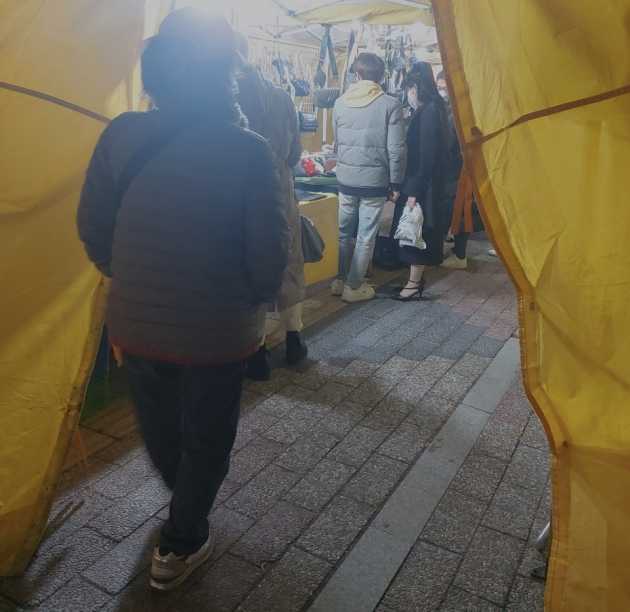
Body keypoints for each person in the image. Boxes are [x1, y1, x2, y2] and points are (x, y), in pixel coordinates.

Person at [77, 9, 288, 591]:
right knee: (208, 435)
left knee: (162, 428)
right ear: (226, 74)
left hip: (137, 324)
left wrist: (130, 276)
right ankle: (183, 537)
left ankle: (185, 507)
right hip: (217, 331)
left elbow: (93, 225)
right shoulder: (248, 149)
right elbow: (269, 252)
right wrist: (250, 300)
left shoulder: (121, 134)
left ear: (157, 75)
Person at [236, 34, 308, 380]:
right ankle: (295, 339)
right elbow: (295, 154)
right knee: (287, 264)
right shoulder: (282, 97)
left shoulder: (224, 98)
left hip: (239, 199)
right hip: (280, 190)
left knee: (250, 271)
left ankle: (257, 352)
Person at [332, 52, 406, 303]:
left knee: (344, 232)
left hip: (345, 178)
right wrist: (396, 182)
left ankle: (339, 280)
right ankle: (354, 286)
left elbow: (337, 142)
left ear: (357, 74)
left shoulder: (340, 102)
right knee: (366, 235)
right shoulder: (390, 104)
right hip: (374, 181)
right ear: (382, 76)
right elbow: (396, 149)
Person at [393, 64, 450, 300]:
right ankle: (415, 279)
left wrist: (414, 192)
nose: (409, 94)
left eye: (410, 88)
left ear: (416, 87)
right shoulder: (435, 108)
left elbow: (426, 156)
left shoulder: (428, 112)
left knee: (414, 231)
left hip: (422, 185)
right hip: (428, 183)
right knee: (417, 230)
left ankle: (414, 284)